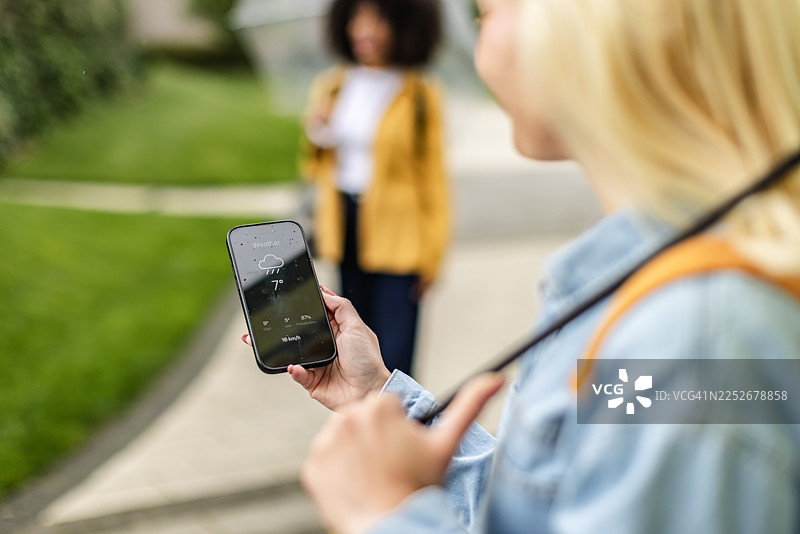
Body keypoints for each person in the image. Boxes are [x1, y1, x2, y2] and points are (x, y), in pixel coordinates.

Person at [246, 0, 800, 532]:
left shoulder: (689, 346)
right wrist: (377, 396)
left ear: (589, 31)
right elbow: (553, 500)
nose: (480, 48)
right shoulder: (661, 311)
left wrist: (387, 518)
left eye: (488, 13)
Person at [301, 0, 450, 377]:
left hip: (400, 232)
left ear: (402, 24)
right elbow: (313, 165)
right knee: (353, 335)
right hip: (346, 224)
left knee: (395, 345)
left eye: (377, 20)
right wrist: (317, 132)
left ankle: (401, 423)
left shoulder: (419, 93)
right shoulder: (333, 85)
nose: (364, 30)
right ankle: (364, 422)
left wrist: (432, 254)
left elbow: (434, 178)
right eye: (356, 18)